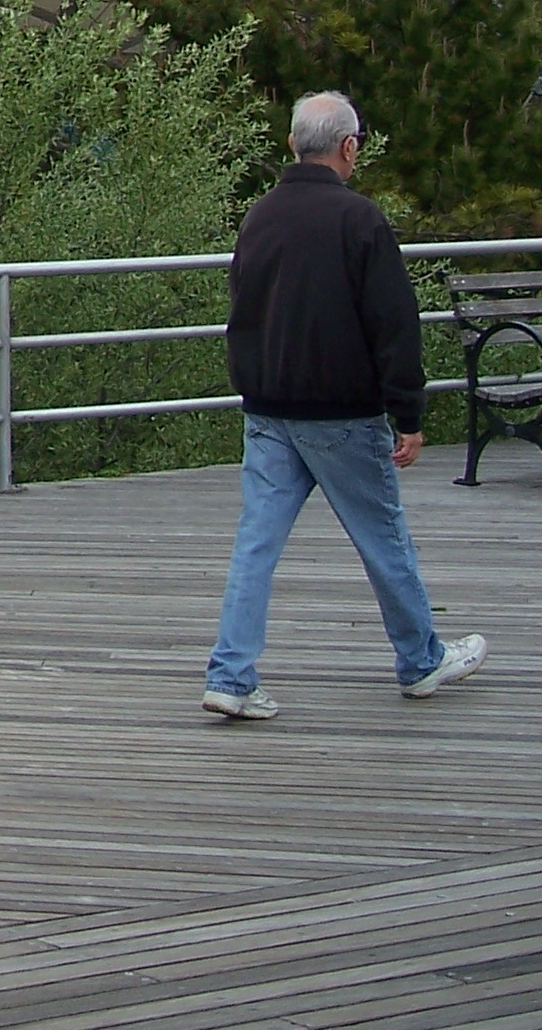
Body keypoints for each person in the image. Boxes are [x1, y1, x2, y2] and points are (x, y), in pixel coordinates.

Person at [202, 91, 487, 720]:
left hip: (269, 410)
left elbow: (241, 311)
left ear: (292, 145)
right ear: (349, 147)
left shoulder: (259, 217)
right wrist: (407, 414)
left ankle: (231, 673)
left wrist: (253, 386)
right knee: (382, 537)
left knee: (257, 542)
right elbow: (393, 322)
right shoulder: (360, 220)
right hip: (340, 413)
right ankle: (421, 661)